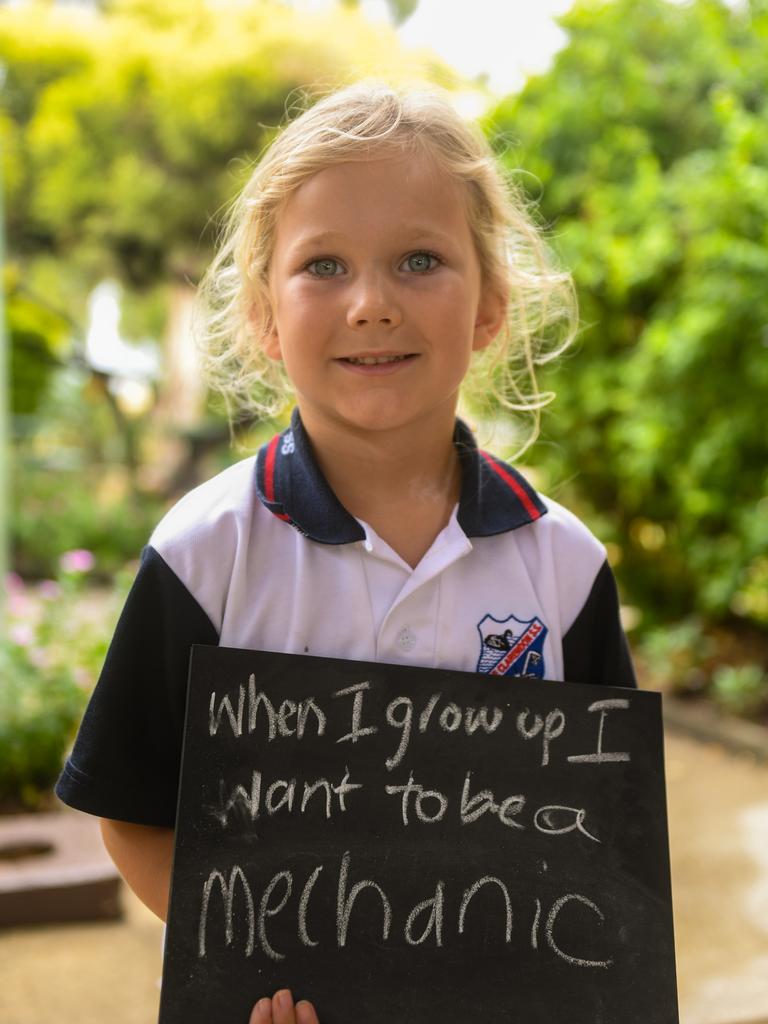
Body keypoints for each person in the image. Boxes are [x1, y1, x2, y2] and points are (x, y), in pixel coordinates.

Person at [55, 80, 636, 1017]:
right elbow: (132, 814)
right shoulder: (207, 554)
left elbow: (607, 841)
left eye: (419, 259)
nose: (371, 303)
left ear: (490, 306)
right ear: (263, 317)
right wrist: (257, 963)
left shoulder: (565, 572)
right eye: (323, 266)